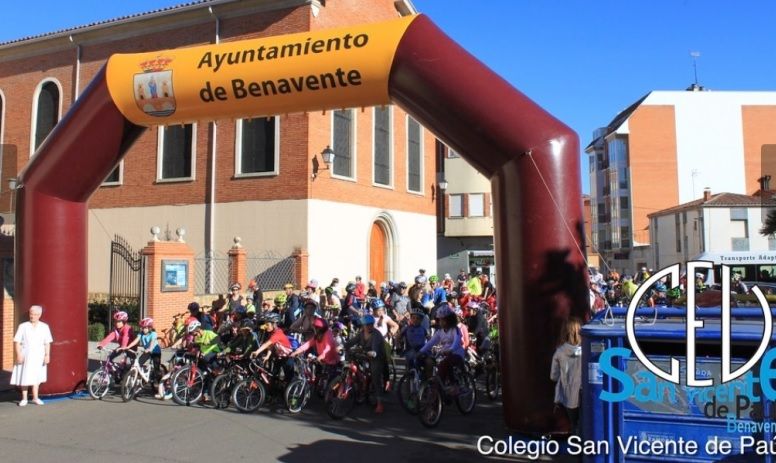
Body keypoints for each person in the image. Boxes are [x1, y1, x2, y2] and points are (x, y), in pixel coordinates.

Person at [11, 305, 53, 406]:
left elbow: (47, 342)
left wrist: (47, 355)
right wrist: (19, 354)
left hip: (39, 355)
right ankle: (24, 399)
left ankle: (35, 398)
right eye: (31, 314)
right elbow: (17, 342)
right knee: (24, 376)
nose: (32, 316)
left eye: (34, 314)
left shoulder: (44, 327)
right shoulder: (23, 326)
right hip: (25, 354)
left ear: (39, 315)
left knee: (37, 377)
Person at [419, 304, 465, 394]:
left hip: (456, 354)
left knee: (445, 364)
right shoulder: (439, 332)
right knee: (432, 364)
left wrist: (451, 350)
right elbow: (431, 342)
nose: (441, 322)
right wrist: (421, 351)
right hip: (443, 354)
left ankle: (454, 385)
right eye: (440, 320)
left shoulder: (455, 330)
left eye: (443, 320)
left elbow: (456, 341)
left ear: (449, 320)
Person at [344, 314, 386, 414]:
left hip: (377, 357)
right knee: (352, 359)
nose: (369, 326)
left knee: (375, 377)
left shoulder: (376, 334)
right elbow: (351, 342)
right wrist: (342, 346)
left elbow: (375, 350)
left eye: (371, 324)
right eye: (366, 325)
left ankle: (380, 403)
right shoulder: (362, 333)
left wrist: (372, 353)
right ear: (363, 325)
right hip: (365, 354)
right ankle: (359, 384)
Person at [551, 317, 583, 435]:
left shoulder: (559, 352)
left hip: (568, 393)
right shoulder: (586, 350)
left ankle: (576, 446)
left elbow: (553, 376)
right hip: (584, 391)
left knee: (574, 423)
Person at [124, 317, 162, 383]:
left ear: (150, 328)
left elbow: (152, 342)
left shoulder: (153, 334)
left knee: (156, 369)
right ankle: (140, 377)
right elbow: (136, 341)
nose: (144, 329)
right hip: (147, 351)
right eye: (143, 328)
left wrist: (149, 348)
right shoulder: (141, 334)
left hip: (155, 352)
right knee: (138, 363)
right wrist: (127, 347)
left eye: (146, 328)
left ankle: (160, 384)